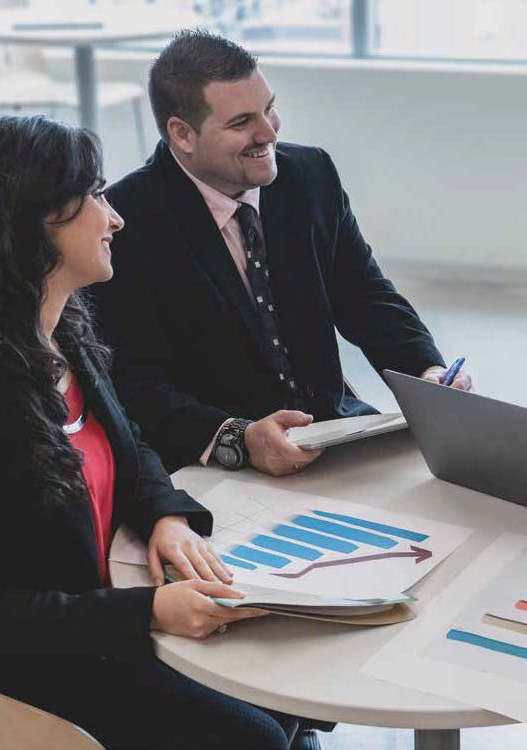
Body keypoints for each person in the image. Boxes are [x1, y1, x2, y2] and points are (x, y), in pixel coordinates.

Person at [0, 114, 309, 750]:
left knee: (290, 707)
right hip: (43, 663)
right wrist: (149, 611)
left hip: (105, 622)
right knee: (259, 736)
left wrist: (165, 515)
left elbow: (129, 444)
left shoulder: (65, 337)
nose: (116, 218)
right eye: (97, 196)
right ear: (38, 220)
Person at [91, 30, 472, 482]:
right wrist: (238, 438)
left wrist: (426, 373)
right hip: (217, 460)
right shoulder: (123, 221)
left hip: (334, 429)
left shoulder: (310, 176)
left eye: (270, 108)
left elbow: (365, 297)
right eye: (242, 122)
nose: (269, 132)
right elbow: (134, 383)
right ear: (182, 134)